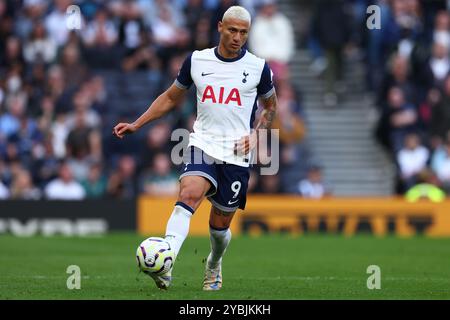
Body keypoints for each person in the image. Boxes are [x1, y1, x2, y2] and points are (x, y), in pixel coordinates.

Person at [113, 6, 277, 291]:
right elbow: (170, 97)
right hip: (202, 143)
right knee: (188, 195)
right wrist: (138, 124)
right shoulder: (197, 60)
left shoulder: (258, 68)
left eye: (243, 32)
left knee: (219, 225)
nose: (238, 37)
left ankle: (214, 261)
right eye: (233, 30)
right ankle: (166, 265)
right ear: (219, 27)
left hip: (237, 154)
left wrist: (257, 133)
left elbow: (270, 107)